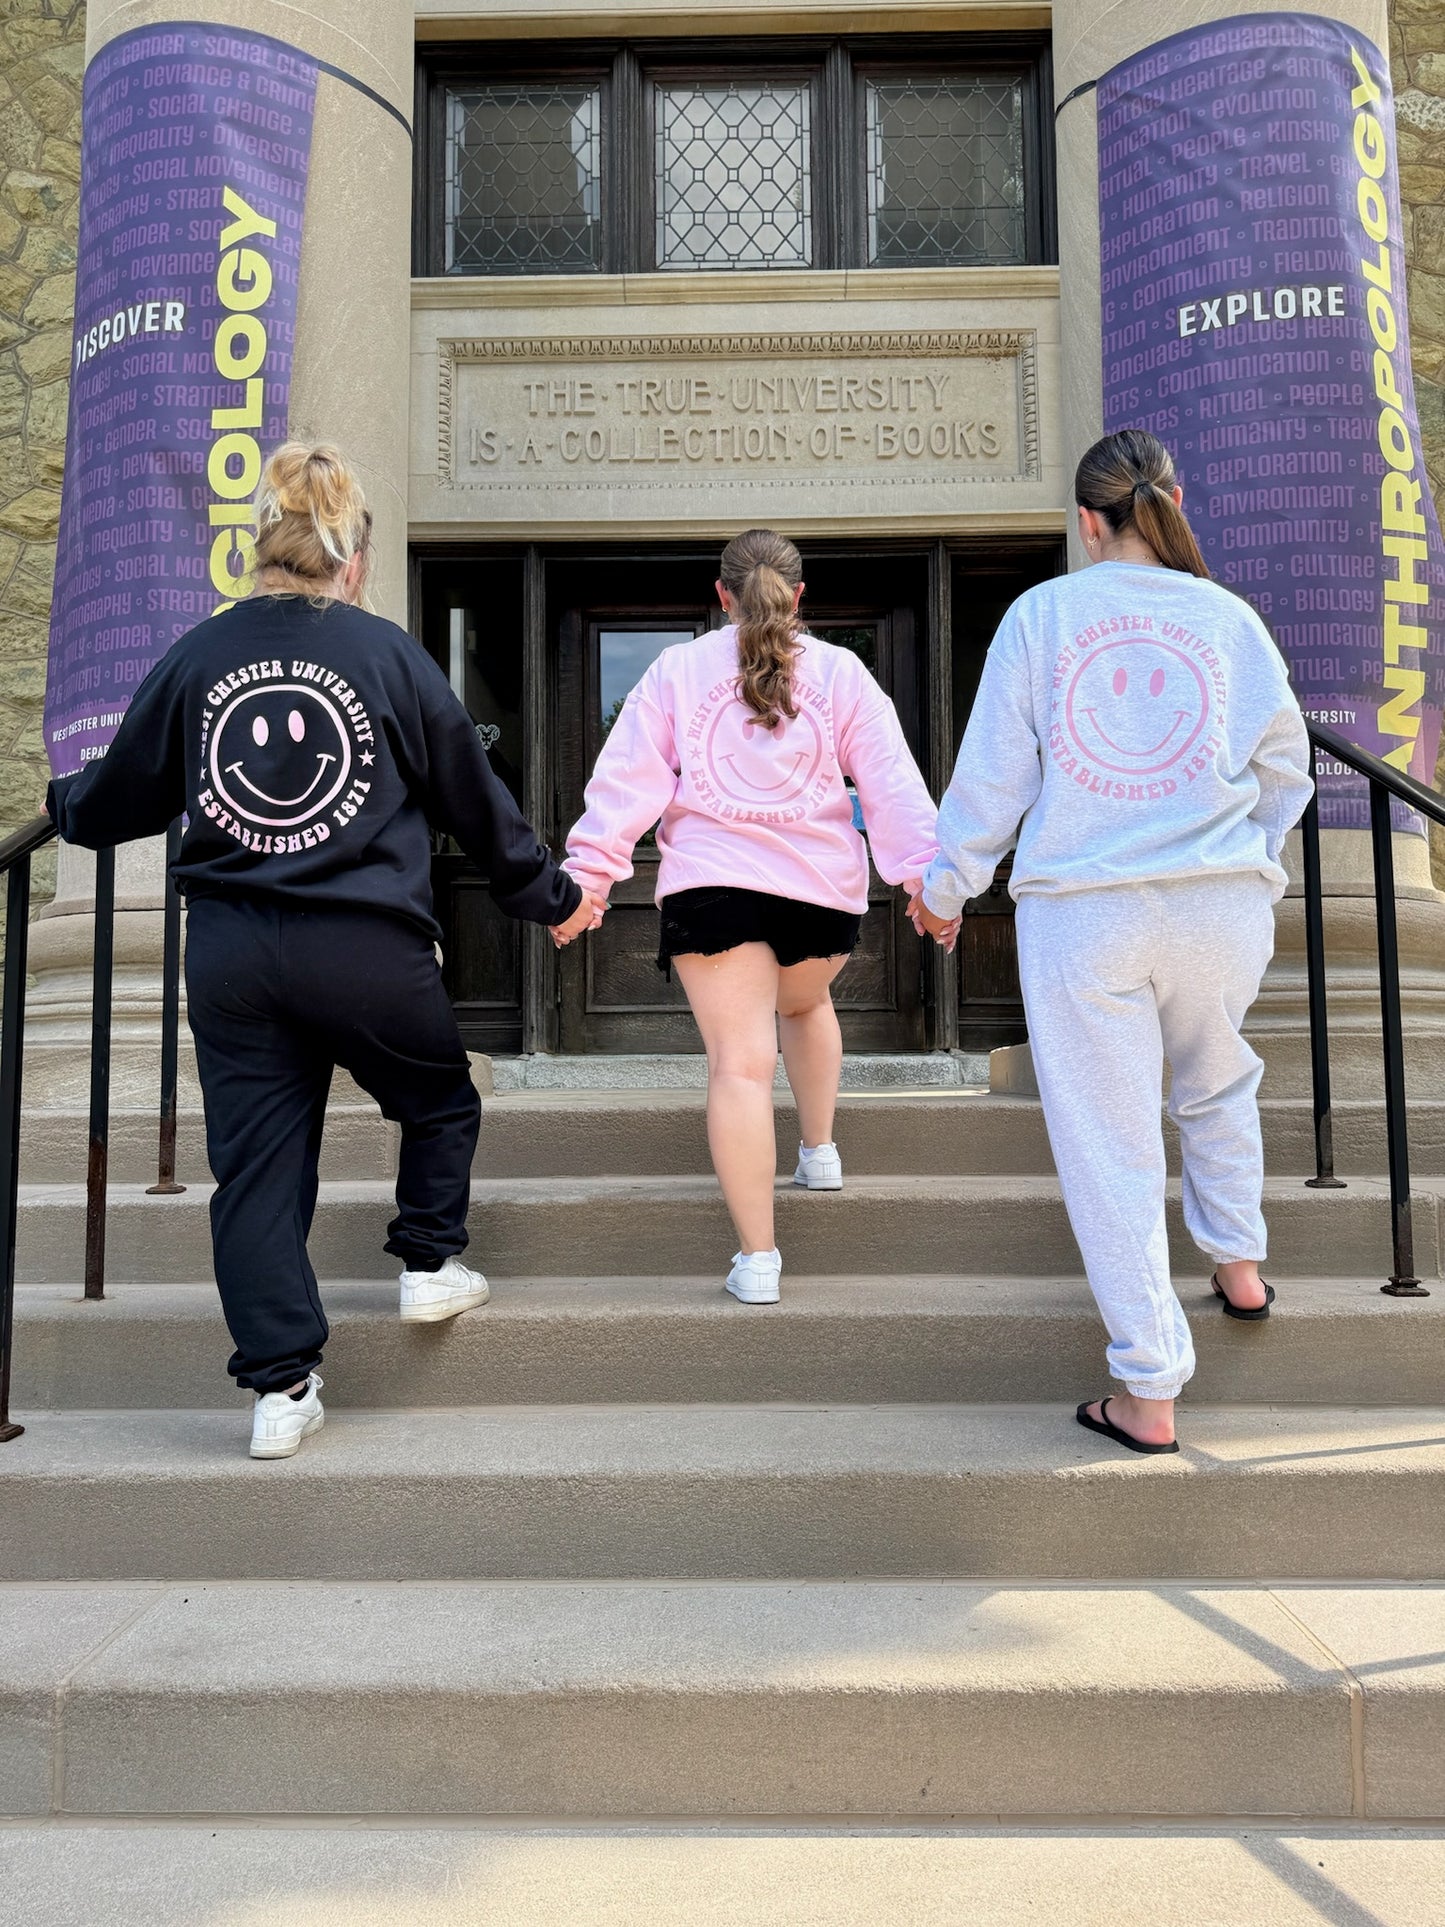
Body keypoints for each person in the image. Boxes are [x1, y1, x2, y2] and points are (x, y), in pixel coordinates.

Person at [47, 442, 599, 1459]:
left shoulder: (200, 655)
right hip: (365, 945)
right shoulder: (388, 654)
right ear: (350, 559)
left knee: (255, 1169)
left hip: (233, 953)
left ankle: (278, 1387)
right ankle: (429, 1262)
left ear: (258, 545)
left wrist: (63, 806)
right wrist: (547, 895)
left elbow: (120, 792)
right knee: (437, 1098)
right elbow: (473, 800)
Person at [914, 429, 1313, 1454]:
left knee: (1111, 1140)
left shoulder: (1042, 615)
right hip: (1217, 905)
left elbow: (994, 776)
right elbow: (1285, 765)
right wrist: (1247, 859)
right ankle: (1239, 1268)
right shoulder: (1229, 620)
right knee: (1218, 1078)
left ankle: (1147, 1389)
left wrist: (946, 888)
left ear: (1086, 522)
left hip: (1087, 909)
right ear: (1170, 500)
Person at [564, 528, 948, 1305]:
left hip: (712, 889)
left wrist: (589, 877)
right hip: (819, 895)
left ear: (720, 595)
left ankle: (759, 1260)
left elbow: (626, 777)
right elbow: (892, 784)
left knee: (740, 1063)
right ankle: (819, 1150)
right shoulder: (841, 672)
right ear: (799, 597)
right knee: (805, 1002)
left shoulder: (676, 669)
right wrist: (924, 885)